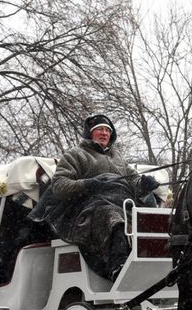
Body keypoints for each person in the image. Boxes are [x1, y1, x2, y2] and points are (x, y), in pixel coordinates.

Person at [29, 114, 159, 280]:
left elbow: (133, 181)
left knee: (152, 220)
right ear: (90, 133)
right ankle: (118, 266)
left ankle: (153, 265)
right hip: (90, 208)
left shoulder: (118, 157)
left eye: (107, 130)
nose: (104, 133)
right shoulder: (75, 155)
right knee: (113, 216)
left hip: (124, 203)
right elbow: (59, 185)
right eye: (99, 130)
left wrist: (144, 185)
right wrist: (88, 184)